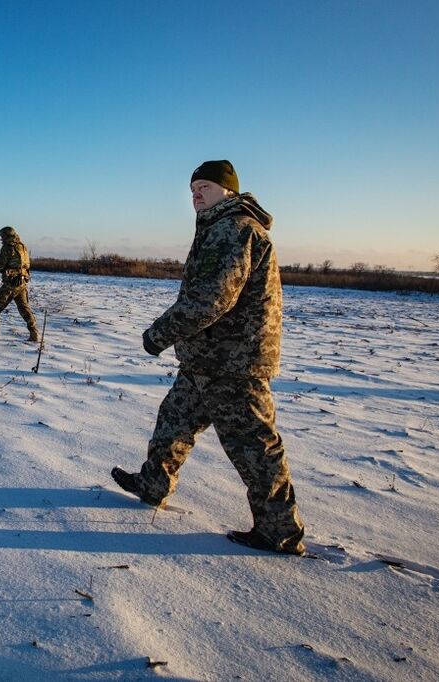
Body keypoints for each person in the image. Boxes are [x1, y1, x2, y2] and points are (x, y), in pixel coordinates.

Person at [111, 160, 306, 556]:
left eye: (206, 187)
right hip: (207, 359)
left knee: (253, 444)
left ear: (228, 192)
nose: (197, 194)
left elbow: (211, 300)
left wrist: (158, 335)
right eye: (193, 188)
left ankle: (279, 530)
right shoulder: (218, 228)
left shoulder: (232, 230)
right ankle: (153, 485)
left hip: (233, 363)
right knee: (173, 423)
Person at [0, 226, 40, 342]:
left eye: (2, 236)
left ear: (7, 236)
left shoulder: (7, 248)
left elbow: (0, 266)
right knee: (24, 309)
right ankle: (34, 333)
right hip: (22, 283)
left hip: (11, 284)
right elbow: (27, 265)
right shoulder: (23, 247)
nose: (1, 239)